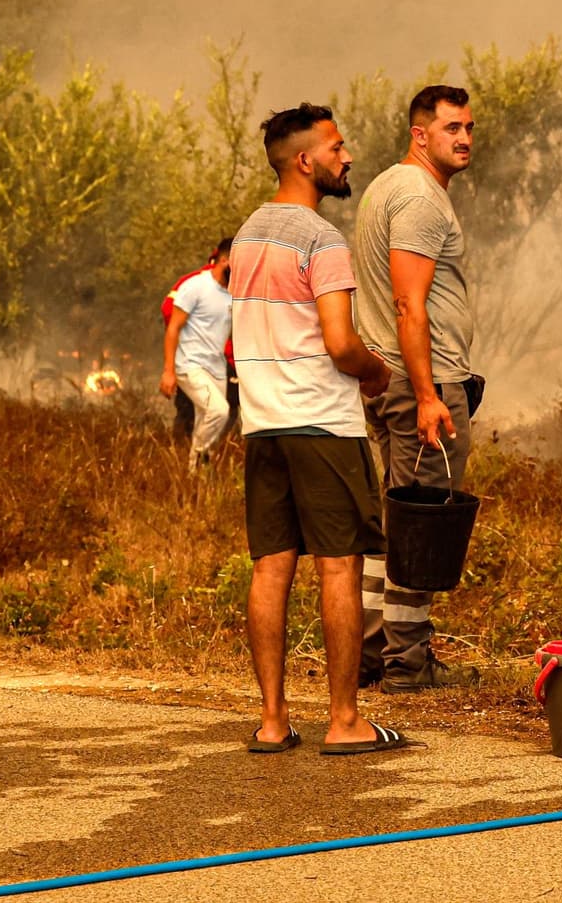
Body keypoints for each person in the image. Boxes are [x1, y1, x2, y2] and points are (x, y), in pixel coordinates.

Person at [230, 102, 410, 755]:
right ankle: (344, 719)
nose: (348, 155)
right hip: (323, 423)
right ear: (306, 159)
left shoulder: (248, 235)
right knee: (339, 565)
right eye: (337, 146)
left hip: (264, 424)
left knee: (271, 565)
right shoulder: (320, 238)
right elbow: (339, 342)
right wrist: (375, 371)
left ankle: (273, 721)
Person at [352, 84, 480, 693]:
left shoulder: (387, 186)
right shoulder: (419, 197)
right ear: (419, 134)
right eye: (451, 127)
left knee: (395, 518)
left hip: (391, 380)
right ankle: (407, 661)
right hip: (418, 382)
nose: (463, 138)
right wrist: (429, 394)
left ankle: (375, 651)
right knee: (423, 521)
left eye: (469, 128)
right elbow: (409, 301)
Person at [160, 238, 235, 463]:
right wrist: (169, 371)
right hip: (190, 365)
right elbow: (173, 327)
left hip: (217, 368)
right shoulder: (195, 286)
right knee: (220, 411)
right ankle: (200, 459)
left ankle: (197, 478)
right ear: (224, 260)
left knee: (208, 421)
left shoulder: (235, 293)